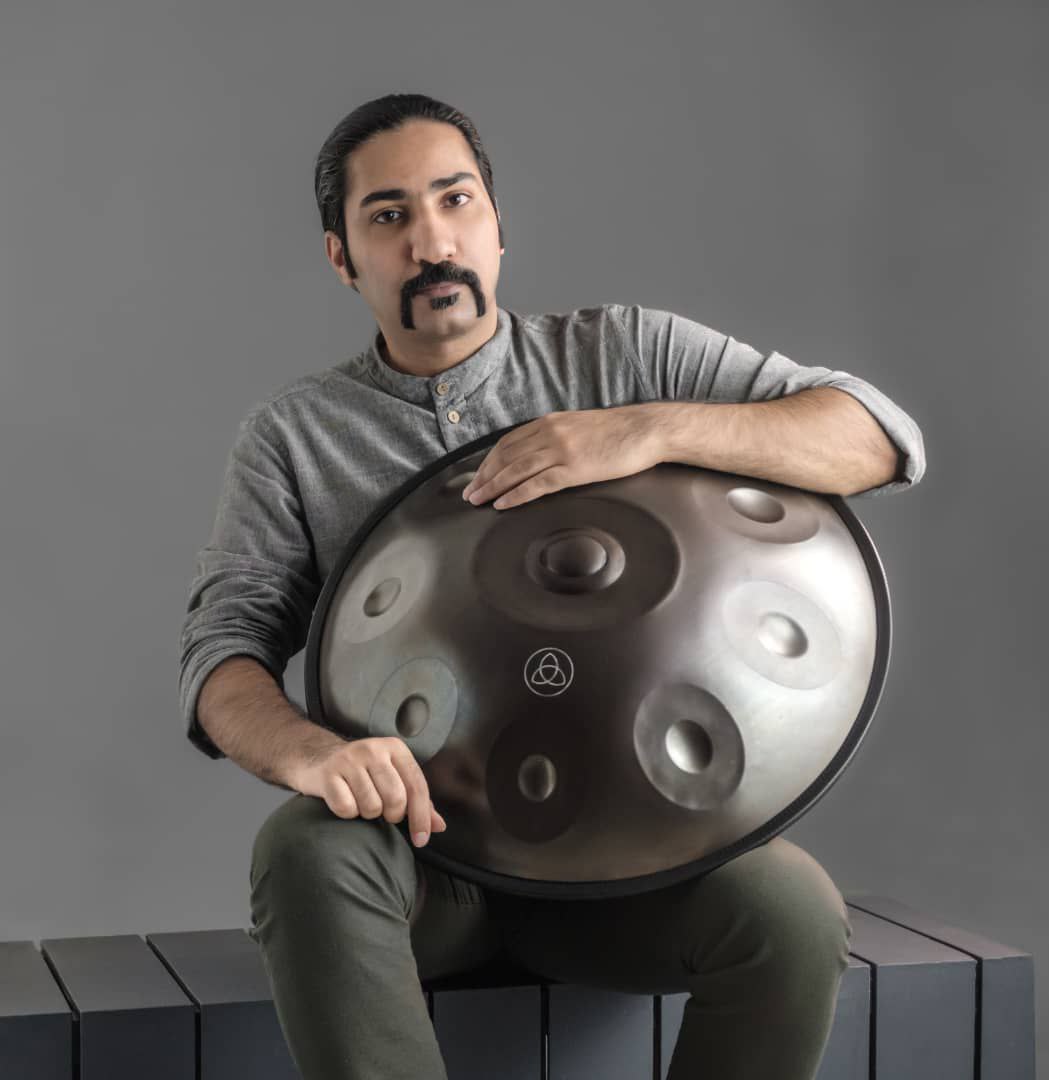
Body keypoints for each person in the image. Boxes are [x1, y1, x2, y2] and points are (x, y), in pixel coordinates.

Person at [178, 92, 926, 1080]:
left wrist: (649, 427)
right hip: (424, 868)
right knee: (304, 849)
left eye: (455, 201)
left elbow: (875, 437)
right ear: (342, 256)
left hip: (632, 877)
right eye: (389, 216)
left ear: (496, 225)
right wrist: (312, 756)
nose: (431, 241)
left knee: (786, 913)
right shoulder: (293, 436)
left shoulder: (627, 354)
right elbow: (221, 651)